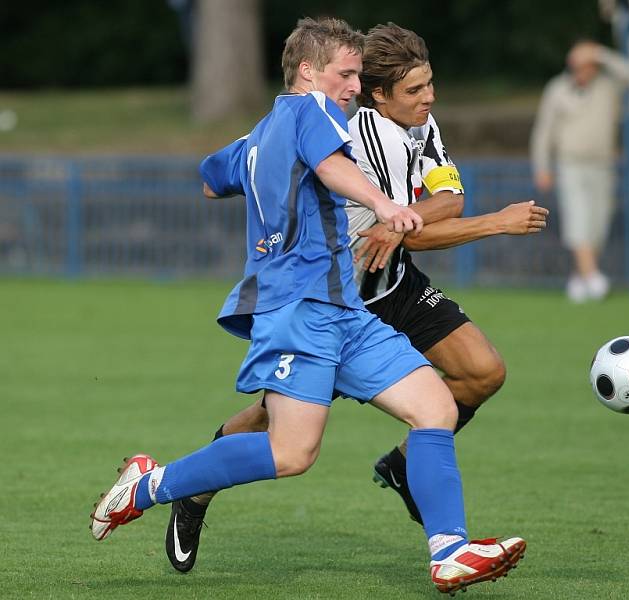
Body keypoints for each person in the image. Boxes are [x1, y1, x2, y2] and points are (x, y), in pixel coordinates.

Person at [89, 17, 525, 595]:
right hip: (299, 308)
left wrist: (266, 171)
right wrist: (382, 203)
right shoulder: (309, 109)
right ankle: (149, 485)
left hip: (345, 308)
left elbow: (208, 179)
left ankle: (449, 552)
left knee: (436, 407)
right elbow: (329, 165)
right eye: (345, 74)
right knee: (292, 452)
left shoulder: (262, 133)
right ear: (307, 72)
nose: (353, 85)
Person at [531, 39, 629, 302]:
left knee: (598, 224)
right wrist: (542, 166)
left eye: (589, 65)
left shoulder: (608, 85)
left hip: (602, 163)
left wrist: (601, 53)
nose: (584, 71)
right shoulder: (557, 88)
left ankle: (581, 277)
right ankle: (594, 278)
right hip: (570, 163)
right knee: (578, 219)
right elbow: (544, 131)